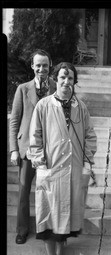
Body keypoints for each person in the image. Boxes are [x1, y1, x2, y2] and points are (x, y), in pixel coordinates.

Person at [27, 62, 97, 255]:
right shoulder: (43, 105)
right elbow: (35, 137)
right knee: (49, 217)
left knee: (66, 215)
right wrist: (40, 163)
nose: (67, 82)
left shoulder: (81, 107)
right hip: (51, 171)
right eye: (63, 78)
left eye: (70, 79)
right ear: (55, 80)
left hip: (74, 171)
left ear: (75, 82)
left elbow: (89, 136)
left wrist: (87, 160)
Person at [9, 49, 56, 244]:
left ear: (50, 65)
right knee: (23, 191)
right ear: (32, 66)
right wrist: (13, 149)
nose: (41, 69)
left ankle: (45, 229)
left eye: (45, 65)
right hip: (27, 149)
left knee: (47, 192)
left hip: (49, 150)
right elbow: (14, 120)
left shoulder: (56, 86)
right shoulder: (23, 89)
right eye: (38, 65)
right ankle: (22, 230)